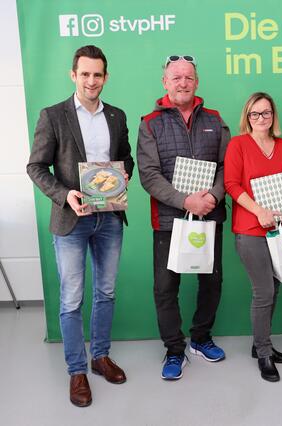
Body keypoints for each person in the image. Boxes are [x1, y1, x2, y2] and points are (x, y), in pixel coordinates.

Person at [26, 45, 133, 407]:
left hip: (110, 218)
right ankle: (77, 371)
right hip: (72, 219)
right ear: (74, 75)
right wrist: (65, 194)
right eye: (85, 74)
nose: (91, 81)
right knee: (72, 299)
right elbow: (36, 167)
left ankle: (100, 358)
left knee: (106, 292)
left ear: (105, 77)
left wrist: (123, 179)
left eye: (98, 74)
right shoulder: (53, 115)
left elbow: (126, 158)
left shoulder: (116, 116)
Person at [137, 55, 230, 380]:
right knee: (165, 287)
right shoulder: (150, 122)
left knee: (212, 281)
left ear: (197, 82)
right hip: (167, 220)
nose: (182, 82)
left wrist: (212, 197)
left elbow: (226, 168)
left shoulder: (216, 119)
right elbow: (148, 175)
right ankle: (174, 349)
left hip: (209, 215)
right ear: (165, 82)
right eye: (175, 77)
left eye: (188, 77)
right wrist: (185, 200)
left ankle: (201, 338)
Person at [224, 92, 282, 382]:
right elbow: (231, 183)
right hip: (250, 230)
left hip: (278, 230)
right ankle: (264, 353)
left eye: (266, 113)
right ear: (247, 117)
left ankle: (259, 343)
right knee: (263, 291)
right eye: (255, 114)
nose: (261, 118)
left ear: (273, 116)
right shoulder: (238, 144)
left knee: (275, 287)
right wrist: (260, 211)